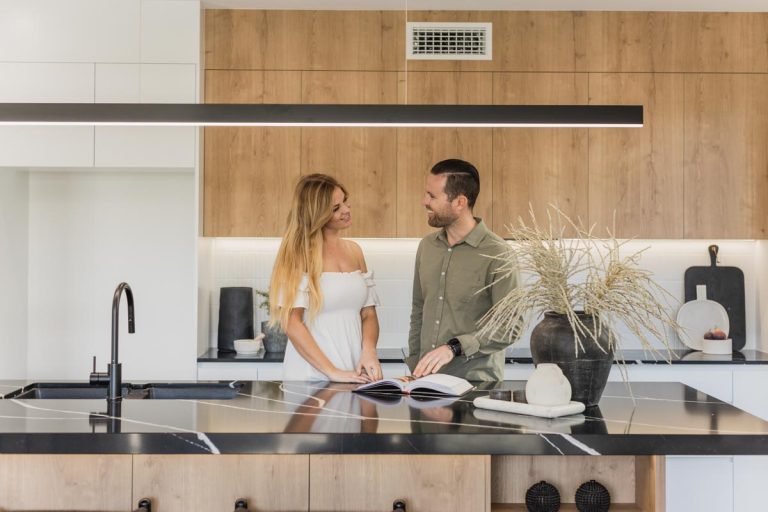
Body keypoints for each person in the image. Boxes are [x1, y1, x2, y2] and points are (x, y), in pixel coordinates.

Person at [407, 159, 519, 382]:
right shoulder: (427, 247)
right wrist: (414, 364)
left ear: (460, 202)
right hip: (425, 382)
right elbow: (419, 311)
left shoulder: (498, 253)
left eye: (432, 196)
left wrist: (454, 348)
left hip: (475, 385)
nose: (424, 202)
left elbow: (511, 325)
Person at [269, 174, 381, 383]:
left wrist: (369, 352)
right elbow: (291, 322)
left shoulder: (355, 251)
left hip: (354, 371)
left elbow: (368, 314)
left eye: (345, 201)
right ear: (317, 214)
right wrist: (332, 372)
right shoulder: (298, 254)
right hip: (312, 374)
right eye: (335, 208)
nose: (346, 210)